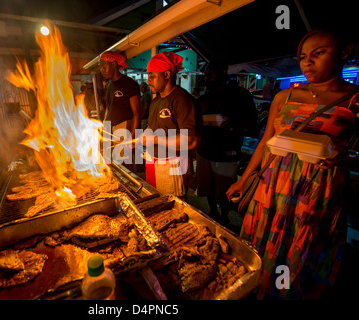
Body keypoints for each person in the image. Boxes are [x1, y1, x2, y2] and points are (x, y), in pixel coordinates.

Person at [226, 28, 359, 299]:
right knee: (263, 248)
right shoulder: (284, 97)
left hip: (318, 191)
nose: (307, 62)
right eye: (302, 57)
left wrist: (341, 158)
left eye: (318, 54)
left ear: (345, 53)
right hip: (272, 185)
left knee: (303, 252)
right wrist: (243, 178)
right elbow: (265, 142)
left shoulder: (354, 99)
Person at [196, 59, 258, 229]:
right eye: (206, 72)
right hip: (205, 150)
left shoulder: (240, 95)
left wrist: (232, 124)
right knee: (207, 187)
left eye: (211, 71)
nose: (207, 75)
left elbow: (253, 124)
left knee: (225, 189)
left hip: (227, 151)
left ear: (223, 72)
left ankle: (224, 217)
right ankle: (212, 212)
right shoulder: (204, 97)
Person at [137, 52, 201, 198]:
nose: (148, 81)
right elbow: (152, 127)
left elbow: (191, 140)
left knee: (171, 208)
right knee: (155, 201)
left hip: (172, 165)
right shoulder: (156, 101)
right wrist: (142, 137)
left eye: (152, 76)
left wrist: (155, 140)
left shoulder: (182, 100)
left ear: (166, 74)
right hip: (153, 161)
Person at [99, 51, 141, 170]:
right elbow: (108, 108)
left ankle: (130, 187)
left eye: (104, 66)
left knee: (124, 165)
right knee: (112, 163)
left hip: (124, 128)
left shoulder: (130, 84)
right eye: (101, 67)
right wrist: (105, 127)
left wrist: (133, 138)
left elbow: (137, 112)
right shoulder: (108, 85)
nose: (102, 70)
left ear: (113, 64)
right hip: (110, 129)